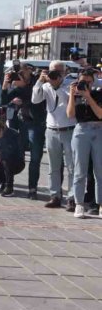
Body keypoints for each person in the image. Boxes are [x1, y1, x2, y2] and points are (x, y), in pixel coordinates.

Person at [32, 62, 76, 210]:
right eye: (52, 71)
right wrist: (40, 81)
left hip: (69, 130)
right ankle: (55, 196)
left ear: (64, 72)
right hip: (51, 130)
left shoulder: (70, 85)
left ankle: (72, 198)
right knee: (53, 167)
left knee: (71, 166)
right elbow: (35, 100)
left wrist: (57, 86)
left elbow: (65, 100)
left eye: (58, 72)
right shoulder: (45, 86)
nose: (55, 75)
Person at [2, 61, 45, 200]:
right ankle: (9, 185)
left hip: (36, 124)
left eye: (21, 72)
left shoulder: (38, 81)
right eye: (17, 73)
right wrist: (5, 85)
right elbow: (4, 100)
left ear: (29, 70)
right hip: (21, 122)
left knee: (35, 158)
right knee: (13, 153)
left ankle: (32, 189)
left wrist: (24, 87)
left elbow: (37, 99)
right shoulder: (18, 84)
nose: (19, 75)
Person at [66, 68, 102, 219]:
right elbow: (70, 115)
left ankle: (100, 205)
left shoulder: (99, 93)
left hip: (98, 129)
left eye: (88, 81)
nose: (85, 84)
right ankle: (79, 203)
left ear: (93, 81)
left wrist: (89, 97)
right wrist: (72, 96)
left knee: (99, 170)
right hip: (81, 130)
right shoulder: (75, 93)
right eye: (83, 81)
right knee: (79, 169)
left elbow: (100, 114)